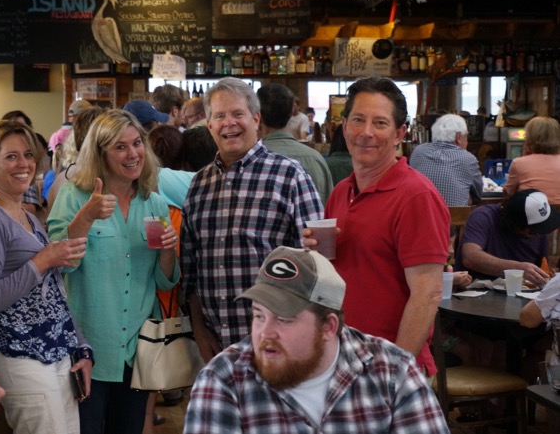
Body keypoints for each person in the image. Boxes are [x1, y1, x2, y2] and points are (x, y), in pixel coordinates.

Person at [183, 246, 449, 434]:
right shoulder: (223, 379)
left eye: (285, 319)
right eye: (259, 316)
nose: (264, 334)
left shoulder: (393, 372)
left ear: (329, 326)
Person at [303, 76, 450, 378]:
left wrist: (395, 371)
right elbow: (337, 277)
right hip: (343, 356)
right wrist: (314, 255)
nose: (366, 133)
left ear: (399, 134)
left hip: (389, 365)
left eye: (380, 123)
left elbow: (427, 295)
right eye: (358, 120)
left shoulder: (416, 196)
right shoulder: (342, 191)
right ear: (343, 127)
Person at [47, 109, 180, 434]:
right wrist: (86, 217)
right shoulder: (75, 196)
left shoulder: (153, 203)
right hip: (89, 346)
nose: (133, 153)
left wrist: (167, 249)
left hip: (138, 347)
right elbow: (61, 261)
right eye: (120, 147)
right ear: (100, 153)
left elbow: (164, 279)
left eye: (137, 144)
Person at [181, 77, 323, 363]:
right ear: (209, 125)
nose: (228, 123)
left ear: (256, 119)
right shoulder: (199, 184)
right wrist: (199, 330)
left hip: (278, 345)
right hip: (216, 345)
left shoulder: (290, 176)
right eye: (219, 116)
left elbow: (316, 266)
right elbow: (191, 271)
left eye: (237, 114)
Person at [0, 120, 93, 434]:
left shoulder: (28, 216)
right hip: (20, 355)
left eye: (28, 155)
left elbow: (53, 294)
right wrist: (42, 260)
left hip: (56, 354)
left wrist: (80, 347)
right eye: (10, 157)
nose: (23, 164)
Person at [456, 189, 560, 286]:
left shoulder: (538, 229)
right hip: (477, 291)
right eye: (532, 230)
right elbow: (470, 257)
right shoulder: (484, 217)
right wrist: (518, 269)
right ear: (513, 224)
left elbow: (542, 266)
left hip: (522, 293)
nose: (538, 233)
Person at [257, 82, 333, 203]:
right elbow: (329, 214)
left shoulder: (250, 160)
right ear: (291, 112)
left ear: (256, 115)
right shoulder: (316, 159)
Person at [410, 113, 483, 206]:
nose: (467, 142)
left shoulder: (418, 152)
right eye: (466, 137)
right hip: (455, 219)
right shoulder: (468, 159)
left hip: (421, 217)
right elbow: (478, 195)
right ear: (459, 137)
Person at [504, 116, 560, 203]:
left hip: (531, 215)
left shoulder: (519, 163)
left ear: (530, 138)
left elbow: (508, 193)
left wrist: (525, 156)